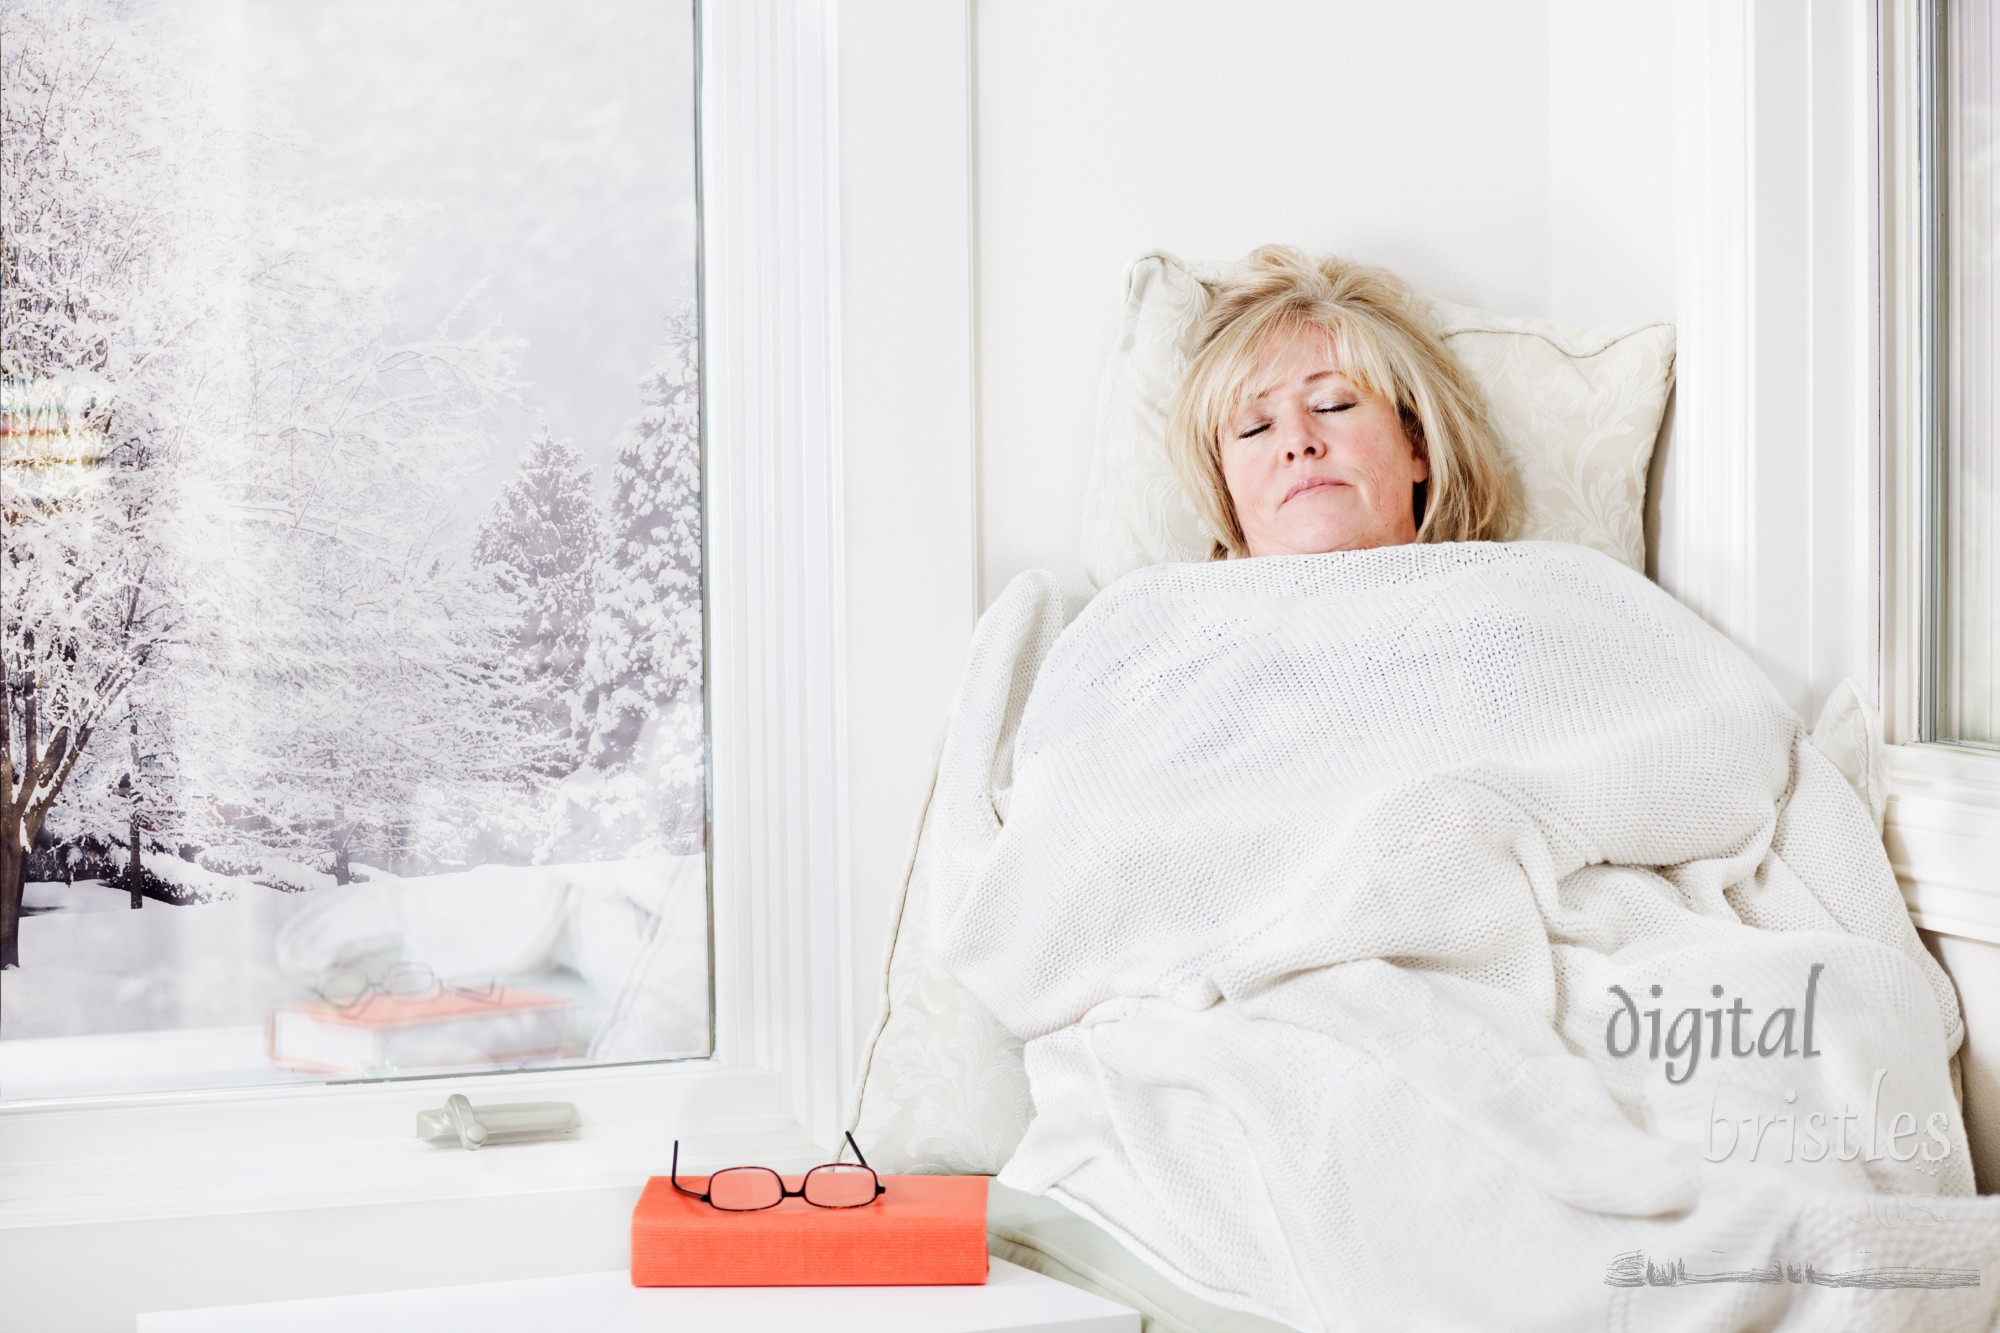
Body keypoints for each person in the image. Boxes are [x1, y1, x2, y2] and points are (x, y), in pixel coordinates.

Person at [1166, 244, 1515, 560]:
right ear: (1224, 492)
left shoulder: (1535, 589)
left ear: (1417, 446)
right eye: (1254, 428)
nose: (1298, 442)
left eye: (1332, 405)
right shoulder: (1149, 615)